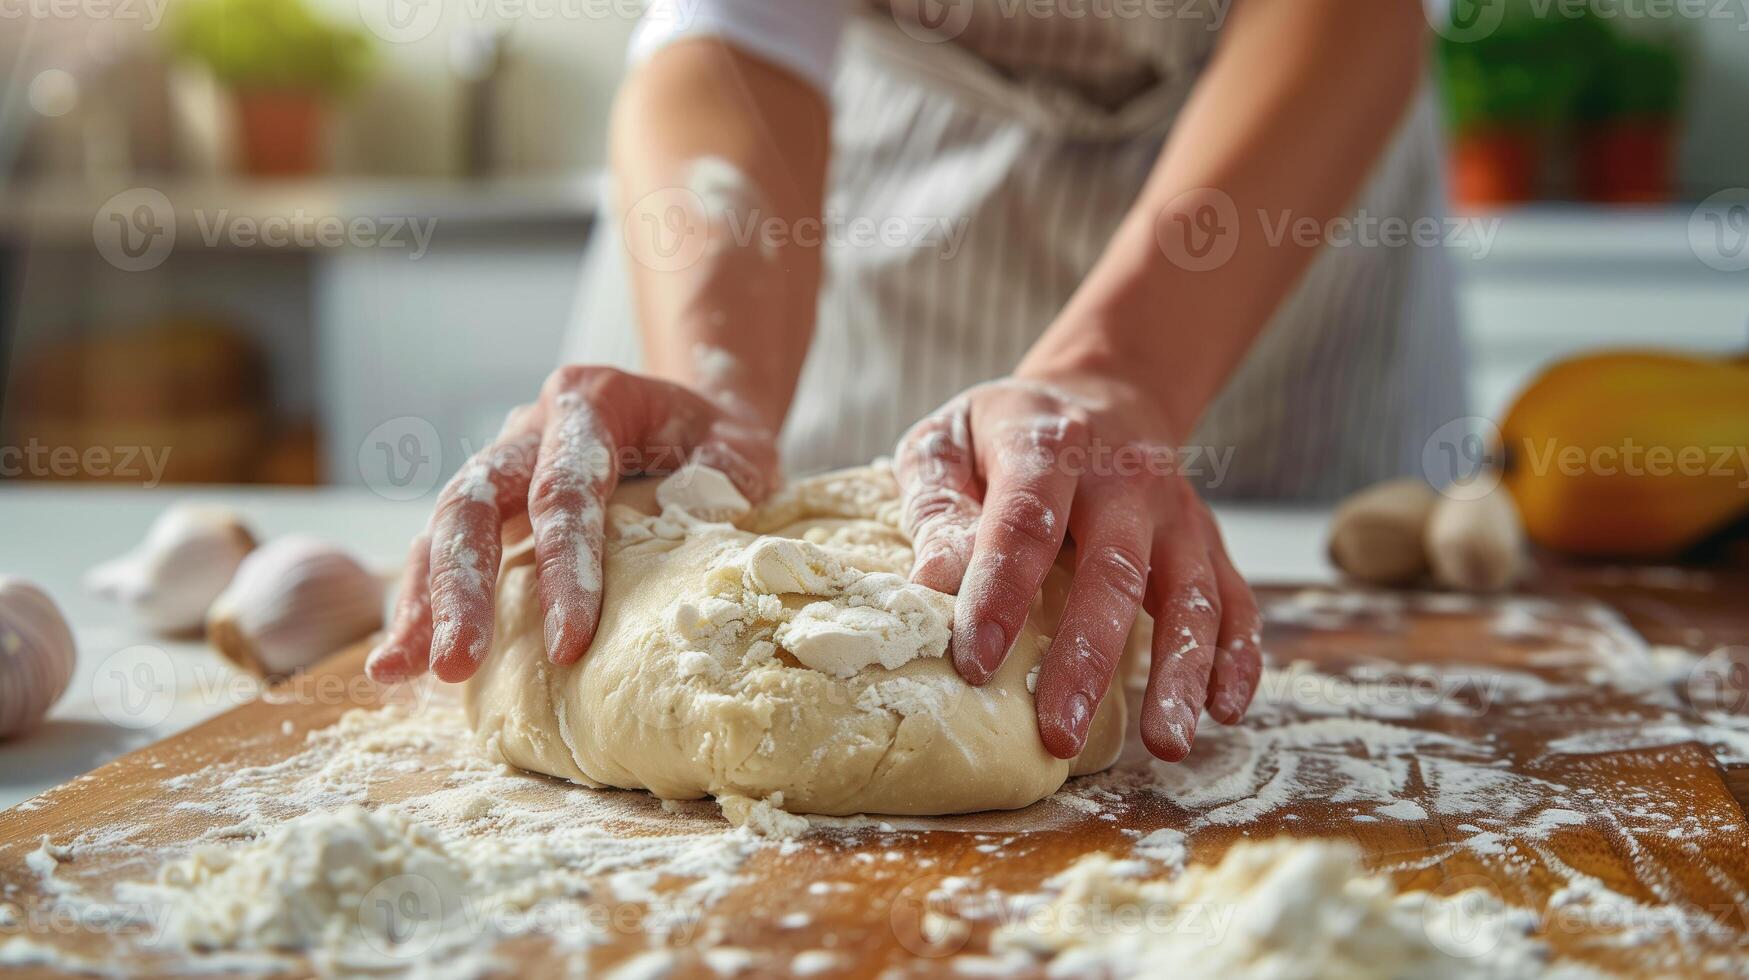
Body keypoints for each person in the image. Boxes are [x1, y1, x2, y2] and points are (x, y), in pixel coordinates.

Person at [366, 0, 1466, 766]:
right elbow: (738, 28)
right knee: (749, 548)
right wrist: (719, 380)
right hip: (848, 199)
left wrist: (1119, 376)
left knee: (1103, 595)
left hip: (1267, 193)